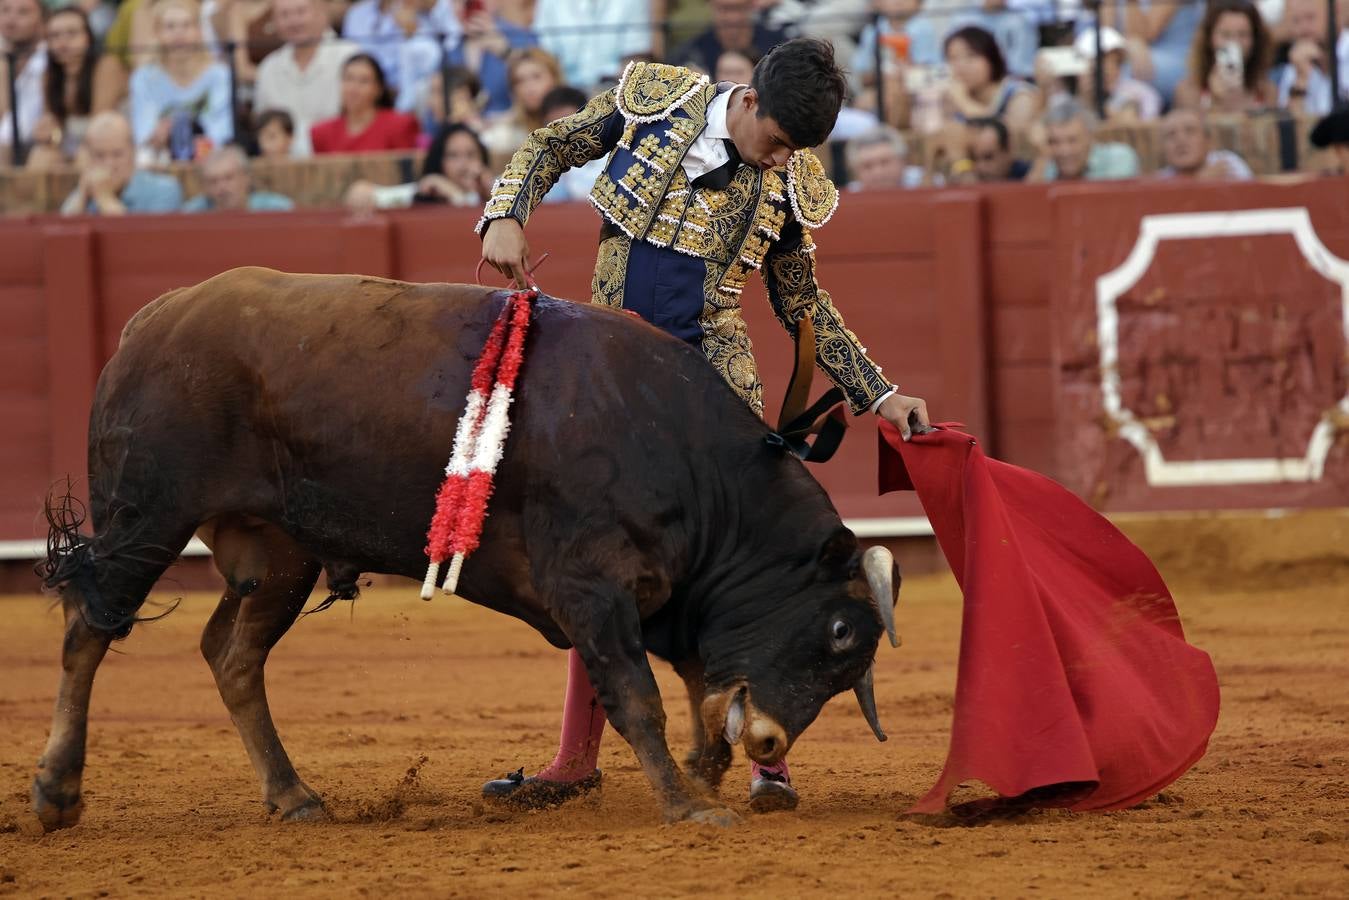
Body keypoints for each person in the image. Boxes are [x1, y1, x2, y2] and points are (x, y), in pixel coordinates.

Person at [476, 39, 931, 814]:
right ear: (749, 101)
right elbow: (553, 144)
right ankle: (573, 759)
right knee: (599, 566)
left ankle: (767, 760)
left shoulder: (788, 184)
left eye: (796, 150)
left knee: (751, 577)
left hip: (713, 392)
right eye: (778, 141)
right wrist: (505, 213)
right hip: (610, 381)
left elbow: (803, 305)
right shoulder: (655, 100)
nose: (781, 160)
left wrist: (878, 393)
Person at [129, 0, 234, 163]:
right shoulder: (143, 78)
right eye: (170, 26)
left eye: (187, 25)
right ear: (157, 33)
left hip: (211, 162)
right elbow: (143, 134)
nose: (179, 33)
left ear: (199, 31)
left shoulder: (220, 75)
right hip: (160, 162)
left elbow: (222, 132)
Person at [254, 0, 361, 156]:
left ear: (321, 13)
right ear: (275, 21)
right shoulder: (269, 67)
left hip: (341, 158)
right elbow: (265, 127)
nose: (293, 21)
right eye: (284, 15)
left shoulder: (349, 55)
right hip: (285, 166)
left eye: (301, 12)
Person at [394, 0, 537, 116]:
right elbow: (432, 116)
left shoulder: (523, 38)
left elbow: (540, 88)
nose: (466, 7)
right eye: (457, 1)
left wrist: (505, 51)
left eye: (473, 2)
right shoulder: (449, 52)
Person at [26, 7, 124, 167]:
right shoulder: (49, 75)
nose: (63, 42)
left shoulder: (107, 66)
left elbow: (99, 122)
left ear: (88, 37)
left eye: (72, 33)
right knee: (40, 156)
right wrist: (48, 133)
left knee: (85, 156)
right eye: (55, 36)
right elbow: (52, 125)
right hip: (70, 147)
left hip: (108, 145)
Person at [345, 120, 490, 208]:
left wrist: (453, 192)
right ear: (439, 161)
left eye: (471, 154)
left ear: (482, 159)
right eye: (453, 155)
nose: (463, 164)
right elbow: (361, 193)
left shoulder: (498, 190)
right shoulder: (429, 190)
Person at [60, 111, 183, 214]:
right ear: (89, 158)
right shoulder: (85, 190)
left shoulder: (165, 190)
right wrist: (82, 196)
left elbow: (142, 240)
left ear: (133, 153)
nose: (109, 164)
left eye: (117, 154)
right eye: (100, 156)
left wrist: (105, 199)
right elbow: (61, 236)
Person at [1174, 0, 1274, 113]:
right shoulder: (1188, 90)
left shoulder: (1267, 91)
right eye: (1225, 35)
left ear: (1255, 40)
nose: (1234, 43)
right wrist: (1216, 101)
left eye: (1242, 35)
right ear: (1209, 39)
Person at [310, 53, 420, 152]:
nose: (353, 88)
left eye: (364, 81)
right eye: (348, 79)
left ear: (378, 89)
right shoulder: (321, 133)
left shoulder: (400, 126)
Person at [532, 0, 650, 91]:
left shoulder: (633, 2)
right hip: (564, 92)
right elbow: (546, 57)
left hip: (615, 90)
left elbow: (636, 56)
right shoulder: (549, 3)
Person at [942, 25, 1038, 133]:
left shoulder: (1020, 96)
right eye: (952, 58)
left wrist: (964, 102)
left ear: (991, 57)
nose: (961, 66)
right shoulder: (951, 97)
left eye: (971, 56)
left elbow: (1009, 140)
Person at [1031, 96, 1139, 181]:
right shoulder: (1049, 166)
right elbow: (1031, 203)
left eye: (1072, 140)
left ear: (1090, 137)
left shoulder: (1119, 158)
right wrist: (1042, 157)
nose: (1064, 151)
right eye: (1054, 142)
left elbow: (1110, 199)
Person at [478, 46, 560, 155]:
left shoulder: (577, 120)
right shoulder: (506, 135)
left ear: (554, 78)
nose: (529, 87)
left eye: (536, 77)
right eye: (519, 81)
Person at [1071, 26, 1163, 123]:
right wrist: (1086, 100)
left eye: (1106, 59)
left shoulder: (1142, 94)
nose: (1100, 68)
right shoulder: (1069, 100)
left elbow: (1147, 129)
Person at [671, 0, 788, 74]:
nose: (733, 18)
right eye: (724, 9)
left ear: (752, 5)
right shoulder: (690, 54)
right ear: (712, 6)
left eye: (739, 8)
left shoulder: (778, 47)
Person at [1274, 0, 1343, 115]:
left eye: (1310, 18)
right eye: (1295, 21)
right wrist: (1301, 79)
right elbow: (1290, 127)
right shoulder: (1292, 70)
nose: (1304, 28)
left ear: (1334, 14)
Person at [0, 0, 46, 164]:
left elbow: (18, 128)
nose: (11, 19)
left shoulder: (50, 62)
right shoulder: (3, 59)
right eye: (5, 10)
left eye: (23, 12)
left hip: (36, 151)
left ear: (42, 21)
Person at [183, 144, 295, 210]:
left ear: (246, 178)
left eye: (229, 178)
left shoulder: (276, 210)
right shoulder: (192, 214)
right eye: (213, 181)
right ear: (205, 187)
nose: (222, 187)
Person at [1155, 107, 1253, 179]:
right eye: (1171, 134)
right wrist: (1199, 181)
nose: (1180, 140)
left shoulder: (1228, 164)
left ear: (1209, 141)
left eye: (1190, 131)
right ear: (1162, 148)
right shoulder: (1161, 180)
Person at [845, 124, 924, 189]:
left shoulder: (925, 183)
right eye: (867, 166)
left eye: (885, 162)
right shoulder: (848, 197)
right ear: (855, 172)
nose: (878, 173)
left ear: (903, 161)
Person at [965, 115, 1030, 181]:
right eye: (972, 158)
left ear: (1009, 149)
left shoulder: (1030, 176)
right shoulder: (964, 178)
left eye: (988, 157)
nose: (980, 167)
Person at [1309, 105, 1349, 174]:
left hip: (1333, 130)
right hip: (1320, 136)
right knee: (1341, 149)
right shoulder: (1341, 125)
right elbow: (1340, 146)